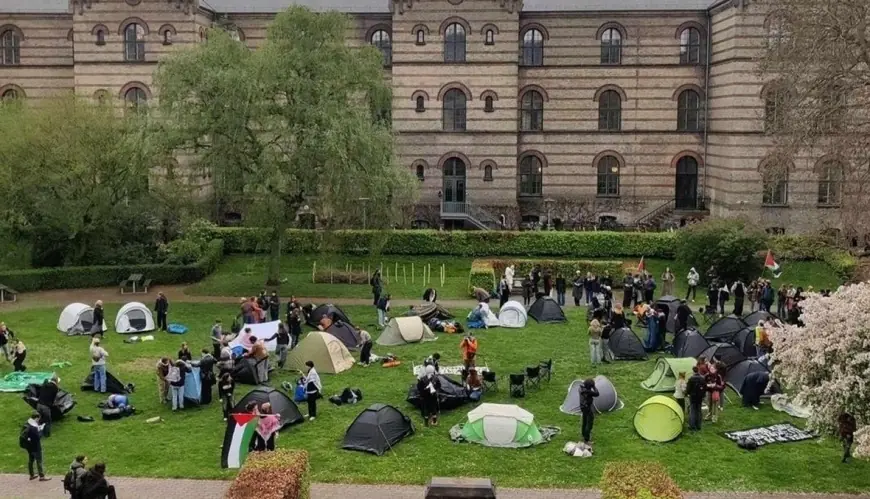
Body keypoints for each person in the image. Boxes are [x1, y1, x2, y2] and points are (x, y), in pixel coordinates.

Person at [22, 411, 49, 481]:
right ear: (36, 418)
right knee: (39, 460)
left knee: (31, 460)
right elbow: (37, 437)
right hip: (36, 446)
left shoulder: (27, 424)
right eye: (38, 419)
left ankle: (31, 475)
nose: (39, 420)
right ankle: (42, 476)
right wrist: (41, 430)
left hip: (29, 446)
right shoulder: (33, 427)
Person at [578, 379, 599, 444]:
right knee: (589, 423)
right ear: (590, 386)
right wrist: (594, 387)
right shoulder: (587, 392)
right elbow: (597, 393)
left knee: (584, 421)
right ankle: (587, 439)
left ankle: (584, 435)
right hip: (587, 408)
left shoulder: (581, 388)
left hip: (582, 407)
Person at [686, 367, 705, 431]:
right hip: (700, 397)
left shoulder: (691, 379)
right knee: (699, 410)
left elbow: (688, 389)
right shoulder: (702, 379)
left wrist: (687, 393)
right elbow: (705, 388)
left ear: (693, 371)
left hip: (693, 397)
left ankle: (692, 425)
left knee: (693, 410)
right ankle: (699, 425)